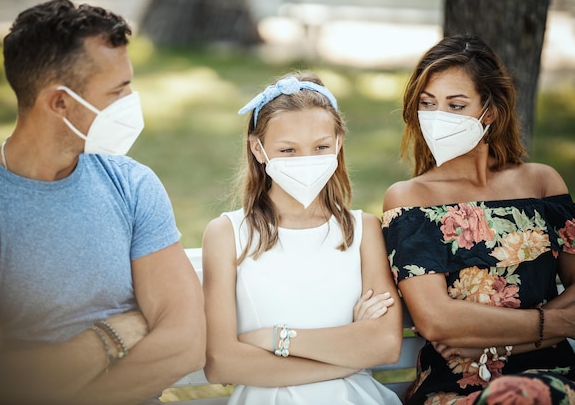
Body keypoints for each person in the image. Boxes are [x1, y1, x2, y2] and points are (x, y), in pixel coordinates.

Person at [0, 0, 205, 405]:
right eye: (118, 91)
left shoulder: (132, 183)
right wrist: (114, 335)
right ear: (60, 103)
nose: (132, 102)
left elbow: (186, 341)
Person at [382, 34, 575, 405]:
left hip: (556, 379)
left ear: (490, 111)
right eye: (427, 104)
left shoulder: (542, 183)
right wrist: (561, 324)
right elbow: (437, 321)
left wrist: (498, 344)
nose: (438, 118)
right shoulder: (410, 199)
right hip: (456, 390)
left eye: (456, 105)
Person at [201, 72, 403, 405]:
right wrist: (346, 355)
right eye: (288, 149)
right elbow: (221, 362)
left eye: (321, 146)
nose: (307, 160)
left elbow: (384, 344)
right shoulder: (227, 235)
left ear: (338, 143)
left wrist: (275, 338)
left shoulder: (364, 230)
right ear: (258, 148)